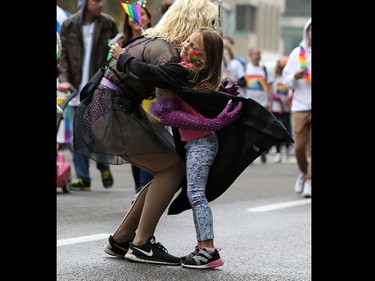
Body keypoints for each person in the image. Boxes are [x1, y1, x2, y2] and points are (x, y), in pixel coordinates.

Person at [73, 0, 292, 267]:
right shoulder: (166, 52)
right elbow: (165, 104)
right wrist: (213, 119)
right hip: (112, 110)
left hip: (108, 107)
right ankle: (141, 244)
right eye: (207, 24)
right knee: (172, 170)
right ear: (191, 24)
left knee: (168, 167)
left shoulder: (155, 40)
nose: (209, 30)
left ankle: (122, 239)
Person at [110, 27, 240, 269]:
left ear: (207, 58)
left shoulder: (185, 72)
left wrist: (123, 57)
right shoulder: (188, 70)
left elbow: (152, 75)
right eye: (187, 42)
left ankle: (208, 249)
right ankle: (204, 248)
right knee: (193, 192)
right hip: (193, 144)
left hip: (201, 144)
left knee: (196, 194)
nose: (186, 48)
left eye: (195, 48)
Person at [58, 0, 118, 191]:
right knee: (79, 133)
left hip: (100, 85)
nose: (100, 4)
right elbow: (63, 56)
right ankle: (83, 177)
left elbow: (115, 53)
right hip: (76, 88)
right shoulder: (69, 25)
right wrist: (64, 80)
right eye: (95, 0)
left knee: (98, 130)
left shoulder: (107, 23)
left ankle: (103, 165)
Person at [109, 1, 154, 194]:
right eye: (133, 15)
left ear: (149, 18)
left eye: (142, 14)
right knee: (133, 149)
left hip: (150, 103)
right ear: (127, 19)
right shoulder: (120, 42)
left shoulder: (156, 40)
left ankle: (144, 191)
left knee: (147, 147)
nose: (138, 18)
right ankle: (139, 190)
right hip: (125, 102)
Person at [282, 17, 311, 198]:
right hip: (300, 106)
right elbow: (286, 80)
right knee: (299, 147)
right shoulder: (296, 53)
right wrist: (295, 76)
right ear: (307, 32)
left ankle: (309, 180)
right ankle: (303, 171)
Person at [239, 47, 273, 163]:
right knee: (250, 129)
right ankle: (251, 152)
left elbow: (270, 88)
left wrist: (271, 103)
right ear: (250, 55)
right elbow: (239, 84)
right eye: (256, 54)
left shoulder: (264, 70)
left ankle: (261, 150)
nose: (258, 56)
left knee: (262, 130)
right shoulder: (246, 69)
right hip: (250, 103)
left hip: (263, 104)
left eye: (259, 54)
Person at [271, 56, 293, 163]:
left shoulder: (288, 78)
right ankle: (278, 151)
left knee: (287, 129)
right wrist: (280, 98)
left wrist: (288, 99)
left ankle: (287, 148)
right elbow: (271, 93)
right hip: (276, 107)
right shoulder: (275, 77)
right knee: (277, 129)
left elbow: (292, 91)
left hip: (287, 108)